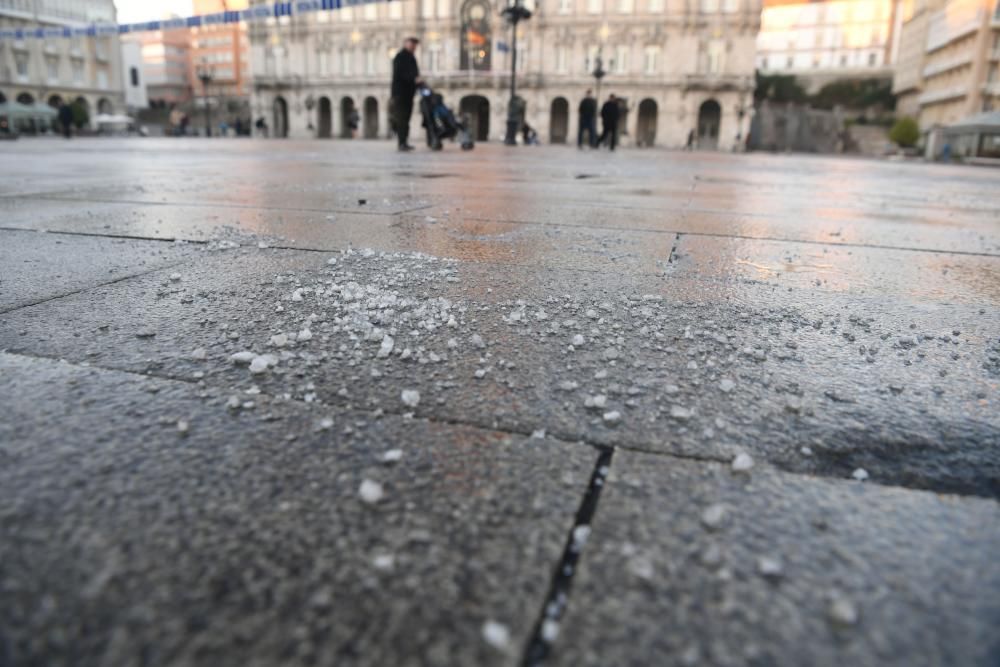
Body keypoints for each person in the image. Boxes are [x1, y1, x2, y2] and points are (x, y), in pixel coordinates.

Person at [391, 37, 422, 152]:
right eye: (412, 44)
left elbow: (414, 73)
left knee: (406, 118)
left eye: (415, 45)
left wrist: (418, 81)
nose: (414, 47)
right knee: (402, 118)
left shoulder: (411, 57)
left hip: (409, 93)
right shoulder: (400, 57)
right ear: (406, 44)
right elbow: (400, 74)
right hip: (401, 93)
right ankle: (401, 142)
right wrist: (414, 79)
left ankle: (404, 141)